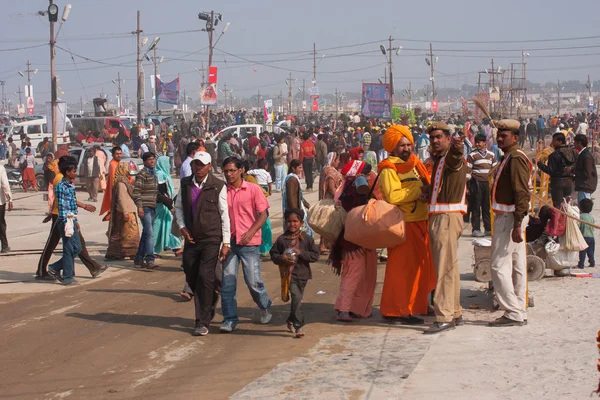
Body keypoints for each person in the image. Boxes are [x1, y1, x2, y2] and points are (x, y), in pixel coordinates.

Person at [377, 124, 436, 324]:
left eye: (409, 144)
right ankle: (395, 311)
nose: (407, 149)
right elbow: (393, 195)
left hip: (421, 220)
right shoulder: (388, 167)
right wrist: (417, 193)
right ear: (392, 147)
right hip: (403, 224)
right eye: (402, 145)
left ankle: (413, 306)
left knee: (419, 268)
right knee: (400, 270)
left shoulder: (415, 163)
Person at [174, 151, 230, 336]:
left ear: (209, 166)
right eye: (196, 164)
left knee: (204, 276)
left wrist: (226, 242)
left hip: (212, 238)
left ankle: (202, 321)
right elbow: (179, 208)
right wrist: (182, 227)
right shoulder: (185, 184)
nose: (198, 168)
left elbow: (224, 215)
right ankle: (211, 295)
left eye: (202, 164)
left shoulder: (218, 186)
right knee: (191, 273)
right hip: (191, 238)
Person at [422, 121, 468, 334]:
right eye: (432, 138)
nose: (435, 141)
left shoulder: (450, 157)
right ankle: (454, 311)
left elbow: (456, 157)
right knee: (450, 267)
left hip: (446, 217)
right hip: (442, 216)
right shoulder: (439, 160)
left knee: (443, 269)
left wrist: (458, 148)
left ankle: (444, 316)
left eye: (439, 137)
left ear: (448, 139)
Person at [220, 156, 272, 333]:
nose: (229, 174)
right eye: (226, 171)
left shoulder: (252, 189)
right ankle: (229, 319)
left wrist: (250, 232)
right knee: (227, 282)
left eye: (232, 170)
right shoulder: (222, 192)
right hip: (229, 243)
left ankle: (264, 305)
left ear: (240, 170)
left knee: (253, 281)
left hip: (249, 243)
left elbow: (263, 214)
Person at [489, 119, 532, 327]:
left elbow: (521, 192)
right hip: (512, 217)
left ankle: (513, 311)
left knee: (498, 266)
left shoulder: (515, 158)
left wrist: (517, 223)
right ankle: (519, 308)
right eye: (498, 134)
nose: (499, 138)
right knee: (517, 263)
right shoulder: (509, 156)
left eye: (504, 135)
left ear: (515, 138)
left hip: (510, 217)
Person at [332, 160, 378, 322]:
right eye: (366, 174)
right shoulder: (356, 189)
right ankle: (345, 310)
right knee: (353, 276)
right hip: (354, 243)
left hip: (350, 240)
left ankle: (352, 308)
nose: (369, 177)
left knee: (354, 276)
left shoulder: (345, 188)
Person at [47, 157, 99, 285]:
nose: (76, 173)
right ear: (68, 172)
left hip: (71, 219)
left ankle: (55, 267)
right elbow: (63, 207)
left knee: (77, 248)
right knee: (69, 248)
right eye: (74, 171)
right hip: (65, 221)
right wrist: (68, 223)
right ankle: (67, 277)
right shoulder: (61, 186)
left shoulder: (70, 185)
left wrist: (75, 220)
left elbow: (71, 205)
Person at [270, 208, 320, 338]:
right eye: (289, 221)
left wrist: (301, 253)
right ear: (285, 223)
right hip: (289, 276)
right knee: (296, 298)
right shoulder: (282, 240)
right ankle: (299, 326)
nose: (292, 224)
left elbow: (315, 256)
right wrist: (282, 258)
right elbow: (273, 254)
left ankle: (290, 320)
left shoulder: (307, 239)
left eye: (295, 221)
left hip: (303, 275)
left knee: (296, 301)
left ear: (302, 223)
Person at [105, 162, 140, 260]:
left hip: (129, 210)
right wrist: (125, 212)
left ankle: (127, 252)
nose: (128, 170)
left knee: (124, 234)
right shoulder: (121, 183)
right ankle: (127, 252)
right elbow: (121, 198)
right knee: (129, 234)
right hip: (125, 211)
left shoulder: (125, 181)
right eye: (127, 168)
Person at [132, 152, 159, 269]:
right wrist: (139, 207)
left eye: (153, 159)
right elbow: (136, 192)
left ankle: (138, 258)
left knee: (146, 233)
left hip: (152, 206)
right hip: (145, 207)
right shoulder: (142, 174)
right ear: (144, 162)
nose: (152, 161)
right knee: (149, 234)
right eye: (149, 160)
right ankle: (150, 259)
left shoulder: (153, 174)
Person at [466, 134, 496, 237]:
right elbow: (468, 171)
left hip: (487, 183)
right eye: (476, 142)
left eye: (479, 142)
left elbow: (494, 170)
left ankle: (488, 228)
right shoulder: (472, 155)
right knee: (476, 206)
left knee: (486, 206)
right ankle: (476, 229)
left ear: (484, 143)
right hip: (476, 183)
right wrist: (467, 186)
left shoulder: (491, 155)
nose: (477, 144)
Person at [536, 132, 576, 208]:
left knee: (558, 206)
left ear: (560, 142)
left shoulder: (554, 155)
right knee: (567, 205)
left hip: (557, 182)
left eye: (554, 141)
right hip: (569, 181)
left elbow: (550, 170)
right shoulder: (572, 152)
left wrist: (539, 164)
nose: (552, 143)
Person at [153, 156, 181, 255]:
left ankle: (174, 246)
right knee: (158, 226)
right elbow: (161, 192)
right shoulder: (160, 175)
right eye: (167, 163)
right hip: (162, 205)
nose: (169, 165)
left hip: (167, 204)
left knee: (168, 226)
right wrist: (170, 205)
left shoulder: (165, 174)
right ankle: (152, 250)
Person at [318, 152, 344, 253]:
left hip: (326, 200)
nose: (338, 162)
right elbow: (331, 188)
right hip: (330, 201)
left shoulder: (325, 170)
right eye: (337, 160)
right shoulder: (331, 172)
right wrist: (338, 198)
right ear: (333, 161)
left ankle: (325, 244)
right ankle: (324, 245)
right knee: (328, 223)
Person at [283, 159, 313, 237]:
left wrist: (308, 205)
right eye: (299, 168)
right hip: (295, 210)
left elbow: (300, 197)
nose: (301, 170)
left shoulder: (294, 178)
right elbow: (291, 197)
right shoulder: (291, 179)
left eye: (301, 167)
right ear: (293, 168)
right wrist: (295, 212)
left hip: (297, 208)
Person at [572, 134, 597, 204]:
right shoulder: (583, 154)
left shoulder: (586, 156)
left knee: (584, 208)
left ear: (579, 143)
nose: (574, 144)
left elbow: (587, 173)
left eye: (575, 142)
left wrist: (572, 172)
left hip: (585, 186)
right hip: (584, 185)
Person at [100, 147, 123, 222]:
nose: (119, 155)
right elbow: (115, 181)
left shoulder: (118, 163)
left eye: (120, 154)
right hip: (117, 193)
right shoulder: (113, 164)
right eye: (117, 154)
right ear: (113, 155)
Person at [577, 198, 595, 269]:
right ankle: (592, 262)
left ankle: (581, 264)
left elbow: (578, 227)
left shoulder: (581, 216)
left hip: (583, 237)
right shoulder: (591, 217)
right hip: (591, 237)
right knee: (591, 251)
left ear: (580, 208)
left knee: (582, 252)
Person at [0, 161, 13, 253]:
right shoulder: (1, 168)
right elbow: (5, 184)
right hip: (0, 202)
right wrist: (10, 199)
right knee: (1, 223)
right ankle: (4, 246)